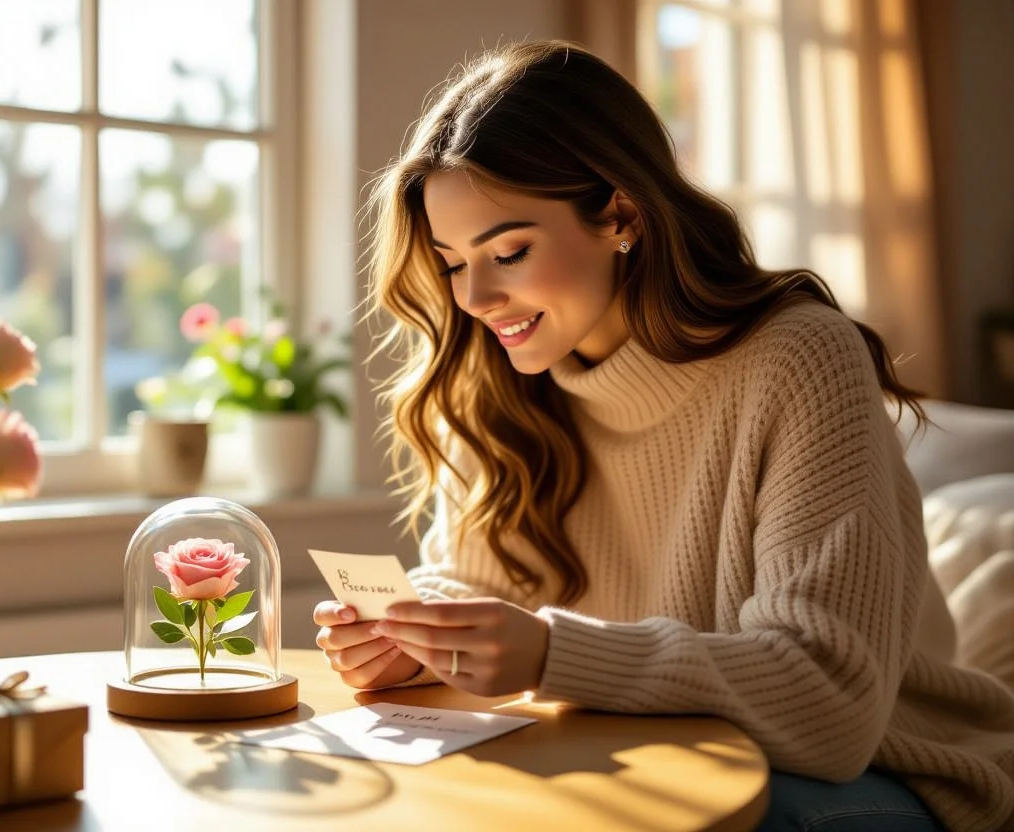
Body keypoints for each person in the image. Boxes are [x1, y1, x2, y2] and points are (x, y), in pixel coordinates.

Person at [312, 40, 1014, 831]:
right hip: (641, 752)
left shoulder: (798, 359)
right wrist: (418, 637)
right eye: (449, 262)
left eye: (509, 252)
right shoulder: (495, 385)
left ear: (621, 215)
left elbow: (829, 702)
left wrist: (548, 654)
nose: (474, 296)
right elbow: (482, 589)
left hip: (886, 770)